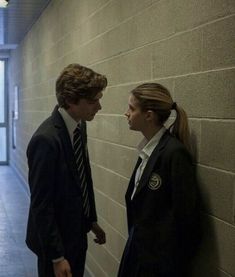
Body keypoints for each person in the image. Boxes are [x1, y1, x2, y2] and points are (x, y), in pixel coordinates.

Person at [26, 63, 107, 277]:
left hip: (77, 233)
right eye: (93, 101)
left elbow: (82, 176)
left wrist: (91, 219)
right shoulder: (46, 140)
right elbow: (41, 205)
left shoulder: (79, 125)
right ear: (71, 101)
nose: (99, 107)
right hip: (55, 242)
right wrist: (57, 257)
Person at [118, 83, 200, 277]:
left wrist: (168, 262)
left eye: (131, 108)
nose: (126, 113)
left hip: (160, 265)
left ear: (149, 115)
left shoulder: (174, 154)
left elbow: (188, 220)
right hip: (138, 254)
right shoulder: (147, 150)